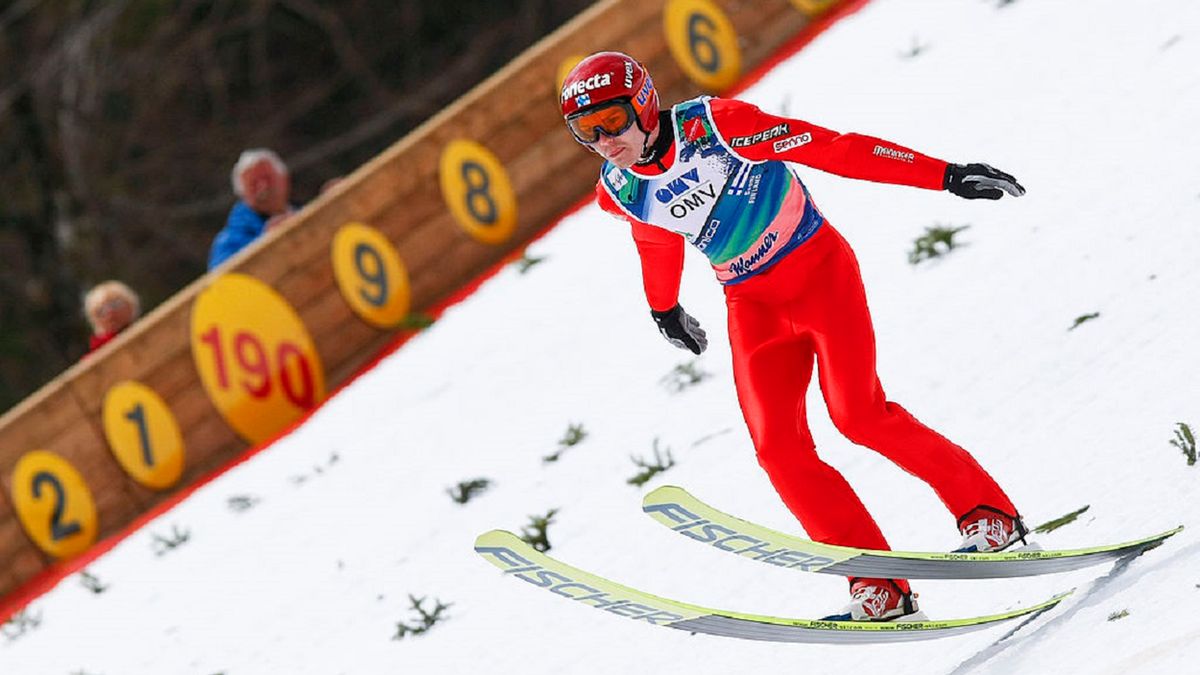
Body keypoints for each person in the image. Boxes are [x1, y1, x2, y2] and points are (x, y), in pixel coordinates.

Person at [561, 51, 1030, 622]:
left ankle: (991, 515)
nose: (604, 141)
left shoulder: (719, 126)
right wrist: (665, 309)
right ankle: (877, 583)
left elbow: (833, 148)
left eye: (611, 122)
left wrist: (944, 175)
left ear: (642, 104)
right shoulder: (618, 188)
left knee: (859, 415)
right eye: (587, 133)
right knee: (778, 450)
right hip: (751, 306)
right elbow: (655, 243)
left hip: (819, 276)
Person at [208, 149, 295, 270]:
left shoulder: (301, 212)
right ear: (242, 194)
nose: (263, 187)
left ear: (284, 179)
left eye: (268, 178)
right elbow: (223, 281)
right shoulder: (228, 243)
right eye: (253, 184)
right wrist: (265, 243)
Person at [83, 281, 141, 355]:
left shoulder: (147, 329)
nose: (110, 313)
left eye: (115, 304)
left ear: (130, 305)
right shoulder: (97, 355)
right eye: (102, 311)